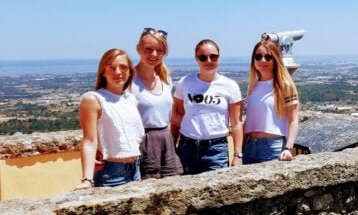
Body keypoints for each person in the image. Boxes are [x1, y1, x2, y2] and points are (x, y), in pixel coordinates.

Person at [172, 39, 243, 174]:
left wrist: (238, 155)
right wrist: (172, 147)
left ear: (219, 58)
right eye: (203, 57)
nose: (209, 61)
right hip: (187, 147)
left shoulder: (230, 86)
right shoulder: (185, 83)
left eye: (213, 56)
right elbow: (178, 117)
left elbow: (236, 123)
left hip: (216, 149)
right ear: (196, 59)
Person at [76, 49, 144, 189]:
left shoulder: (130, 99)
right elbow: (89, 140)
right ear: (103, 71)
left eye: (123, 67)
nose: (118, 72)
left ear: (130, 71)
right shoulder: (93, 100)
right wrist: (87, 180)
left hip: (135, 170)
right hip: (111, 173)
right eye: (112, 67)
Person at [133, 27, 182, 179]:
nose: (154, 54)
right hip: (143, 141)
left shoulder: (165, 79)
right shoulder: (128, 80)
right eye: (148, 49)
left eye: (159, 50)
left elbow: (171, 115)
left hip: (166, 139)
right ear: (138, 49)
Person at [242, 34, 299, 164]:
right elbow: (249, 120)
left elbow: (293, 120)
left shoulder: (285, 85)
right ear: (253, 60)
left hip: (273, 147)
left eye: (268, 57)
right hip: (250, 146)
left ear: (276, 59)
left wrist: (288, 148)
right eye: (258, 57)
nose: (263, 60)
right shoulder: (253, 85)